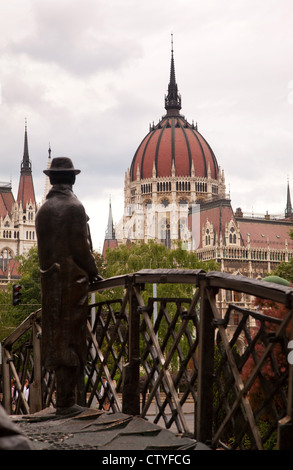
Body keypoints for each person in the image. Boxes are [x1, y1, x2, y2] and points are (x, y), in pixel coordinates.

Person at [35, 157, 102, 415]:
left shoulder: (43, 210)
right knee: (72, 338)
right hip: (72, 284)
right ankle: (66, 400)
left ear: (51, 179)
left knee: (56, 338)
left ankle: (63, 399)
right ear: (72, 179)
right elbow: (81, 249)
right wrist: (94, 271)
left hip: (50, 284)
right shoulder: (74, 207)